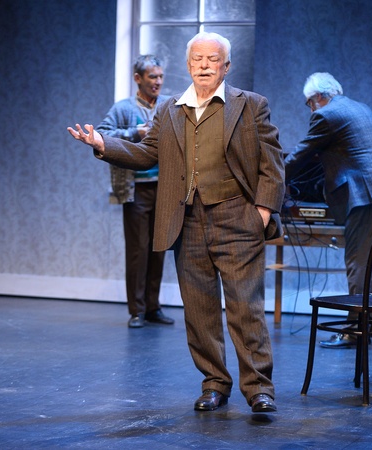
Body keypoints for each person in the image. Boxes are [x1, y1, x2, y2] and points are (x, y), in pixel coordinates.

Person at [68, 32, 284, 414]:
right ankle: (214, 383)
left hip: (238, 219)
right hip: (188, 221)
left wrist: (261, 213)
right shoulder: (170, 108)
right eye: (197, 59)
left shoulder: (250, 105)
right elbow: (146, 153)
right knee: (199, 311)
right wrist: (104, 145)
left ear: (226, 66)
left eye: (212, 59)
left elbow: (272, 163)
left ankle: (258, 388)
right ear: (188, 65)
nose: (204, 65)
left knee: (245, 307)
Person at [284, 72, 372, 349]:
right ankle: (366, 328)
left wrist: (273, 177)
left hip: (365, 194)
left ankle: (354, 331)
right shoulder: (360, 108)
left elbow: (301, 154)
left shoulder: (326, 115)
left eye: (309, 103)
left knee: (358, 264)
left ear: (318, 97)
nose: (310, 109)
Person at [96, 55, 174, 329]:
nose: (158, 82)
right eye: (153, 76)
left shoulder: (169, 105)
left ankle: (153, 307)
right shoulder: (124, 107)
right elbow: (102, 134)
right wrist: (134, 133)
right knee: (138, 250)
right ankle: (137, 310)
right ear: (138, 78)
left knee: (158, 248)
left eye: (161, 76)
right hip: (136, 189)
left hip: (164, 186)